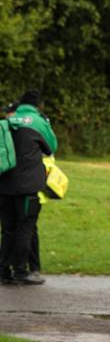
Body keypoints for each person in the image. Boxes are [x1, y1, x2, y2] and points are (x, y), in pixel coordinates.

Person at [0, 90, 57, 285]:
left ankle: (3, 271)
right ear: (36, 105)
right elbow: (51, 147)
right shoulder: (38, 122)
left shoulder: (9, 120)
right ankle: (21, 271)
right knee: (26, 227)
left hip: (5, 184)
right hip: (27, 185)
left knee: (8, 229)